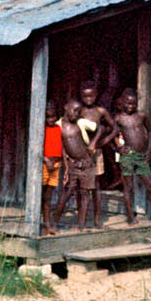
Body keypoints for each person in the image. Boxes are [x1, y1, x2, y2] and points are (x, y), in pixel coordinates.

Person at [113, 89, 151, 228]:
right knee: (128, 187)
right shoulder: (118, 118)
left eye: (133, 104)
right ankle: (130, 217)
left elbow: (150, 130)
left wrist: (149, 150)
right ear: (122, 103)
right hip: (128, 156)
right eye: (128, 103)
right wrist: (118, 148)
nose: (131, 106)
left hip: (141, 156)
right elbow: (111, 134)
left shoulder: (141, 116)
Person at [53, 99, 100, 231]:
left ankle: (81, 225)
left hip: (87, 163)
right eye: (74, 110)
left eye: (79, 112)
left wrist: (93, 143)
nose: (76, 114)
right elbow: (62, 148)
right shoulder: (58, 126)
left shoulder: (80, 123)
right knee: (67, 193)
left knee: (85, 194)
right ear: (65, 107)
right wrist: (67, 167)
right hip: (73, 164)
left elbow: (100, 128)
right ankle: (54, 222)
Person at [78, 80, 119, 227]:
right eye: (85, 96)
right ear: (81, 96)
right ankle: (81, 219)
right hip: (80, 153)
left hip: (96, 153)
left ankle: (96, 218)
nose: (88, 99)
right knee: (80, 186)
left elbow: (115, 128)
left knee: (96, 186)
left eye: (91, 96)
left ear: (96, 95)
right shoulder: (79, 111)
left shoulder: (101, 111)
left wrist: (104, 141)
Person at [41, 102, 62, 235]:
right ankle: (40, 223)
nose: (51, 120)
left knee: (48, 196)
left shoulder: (59, 129)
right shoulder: (42, 129)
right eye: (48, 117)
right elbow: (36, 146)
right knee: (40, 194)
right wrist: (46, 159)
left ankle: (47, 223)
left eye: (53, 117)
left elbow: (62, 147)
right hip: (45, 164)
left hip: (56, 165)